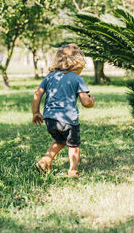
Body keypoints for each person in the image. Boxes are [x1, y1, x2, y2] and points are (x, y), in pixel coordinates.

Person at [32, 44, 95, 177]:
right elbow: (85, 102)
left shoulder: (49, 77)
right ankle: (72, 170)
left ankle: (45, 160)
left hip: (50, 119)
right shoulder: (77, 79)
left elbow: (37, 93)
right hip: (68, 120)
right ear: (78, 63)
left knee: (60, 141)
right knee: (73, 145)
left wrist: (36, 112)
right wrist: (91, 102)